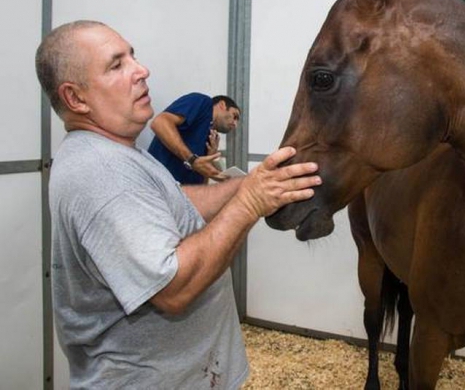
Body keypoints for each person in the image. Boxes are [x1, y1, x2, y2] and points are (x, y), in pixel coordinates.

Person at [35, 20, 321, 389]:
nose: (141, 70)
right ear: (76, 98)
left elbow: (173, 204)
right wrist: (250, 202)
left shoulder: (119, 154)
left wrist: (247, 184)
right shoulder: (103, 172)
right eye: (116, 64)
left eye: (133, 56)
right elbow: (173, 289)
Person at [148, 93, 240, 184]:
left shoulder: (211, 137)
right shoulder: (203, 102)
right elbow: (159, 123)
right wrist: (192, 160)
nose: (235, 124)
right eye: (235, 116)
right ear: (222, 105)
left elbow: (202, 185)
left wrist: (209, 158)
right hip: (157, 185)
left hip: (181, 194)